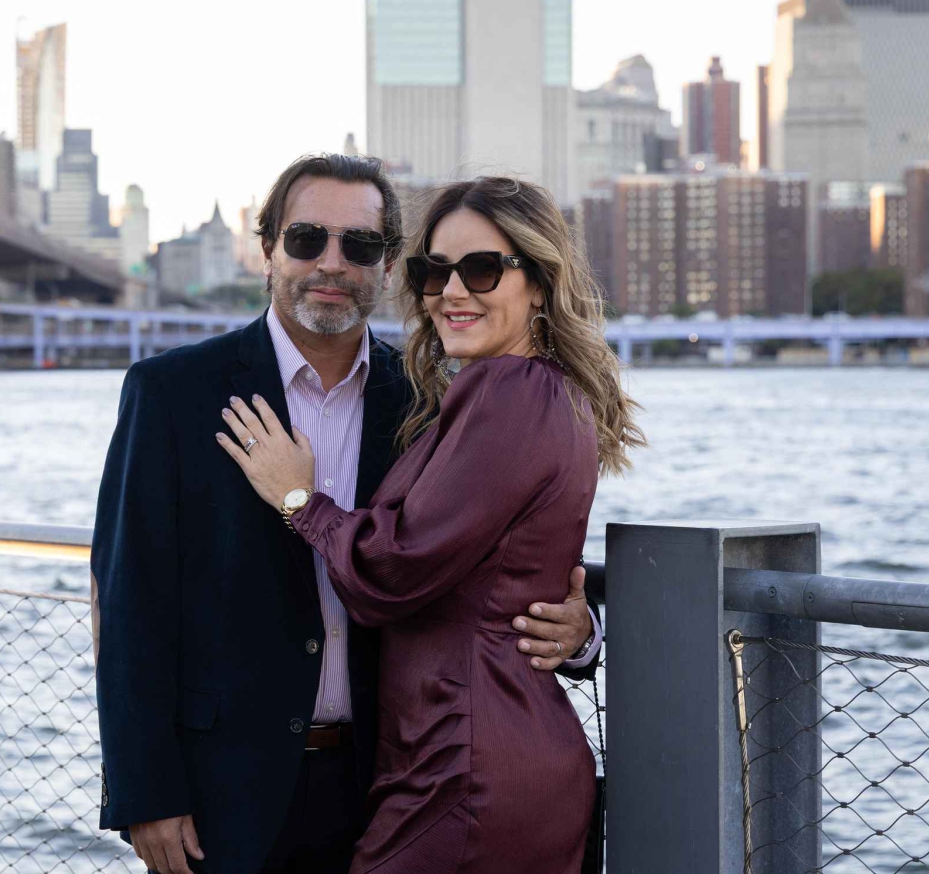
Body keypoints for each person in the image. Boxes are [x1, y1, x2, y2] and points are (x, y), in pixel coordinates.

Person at [91, 155, 603, 874]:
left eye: (359, 245)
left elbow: (506, 560)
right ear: (267, 249)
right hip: (221, 796)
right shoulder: (173, 393)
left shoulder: (429, 400)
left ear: (387, 265)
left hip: (386, 782)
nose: (331, 263)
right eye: (307, 239)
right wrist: (146, 789)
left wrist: (581, 632)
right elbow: (128, 602)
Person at [216, 175, 644, 873]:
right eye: (434, 271)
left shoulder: (508, 393)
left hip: (465, 770)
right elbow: (509, 570)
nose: (452, 290)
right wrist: (580, 632)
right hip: (479, 753)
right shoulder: (529, 392)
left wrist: (300, 501)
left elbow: (393, 571)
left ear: (539, 283)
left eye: (482, 269)